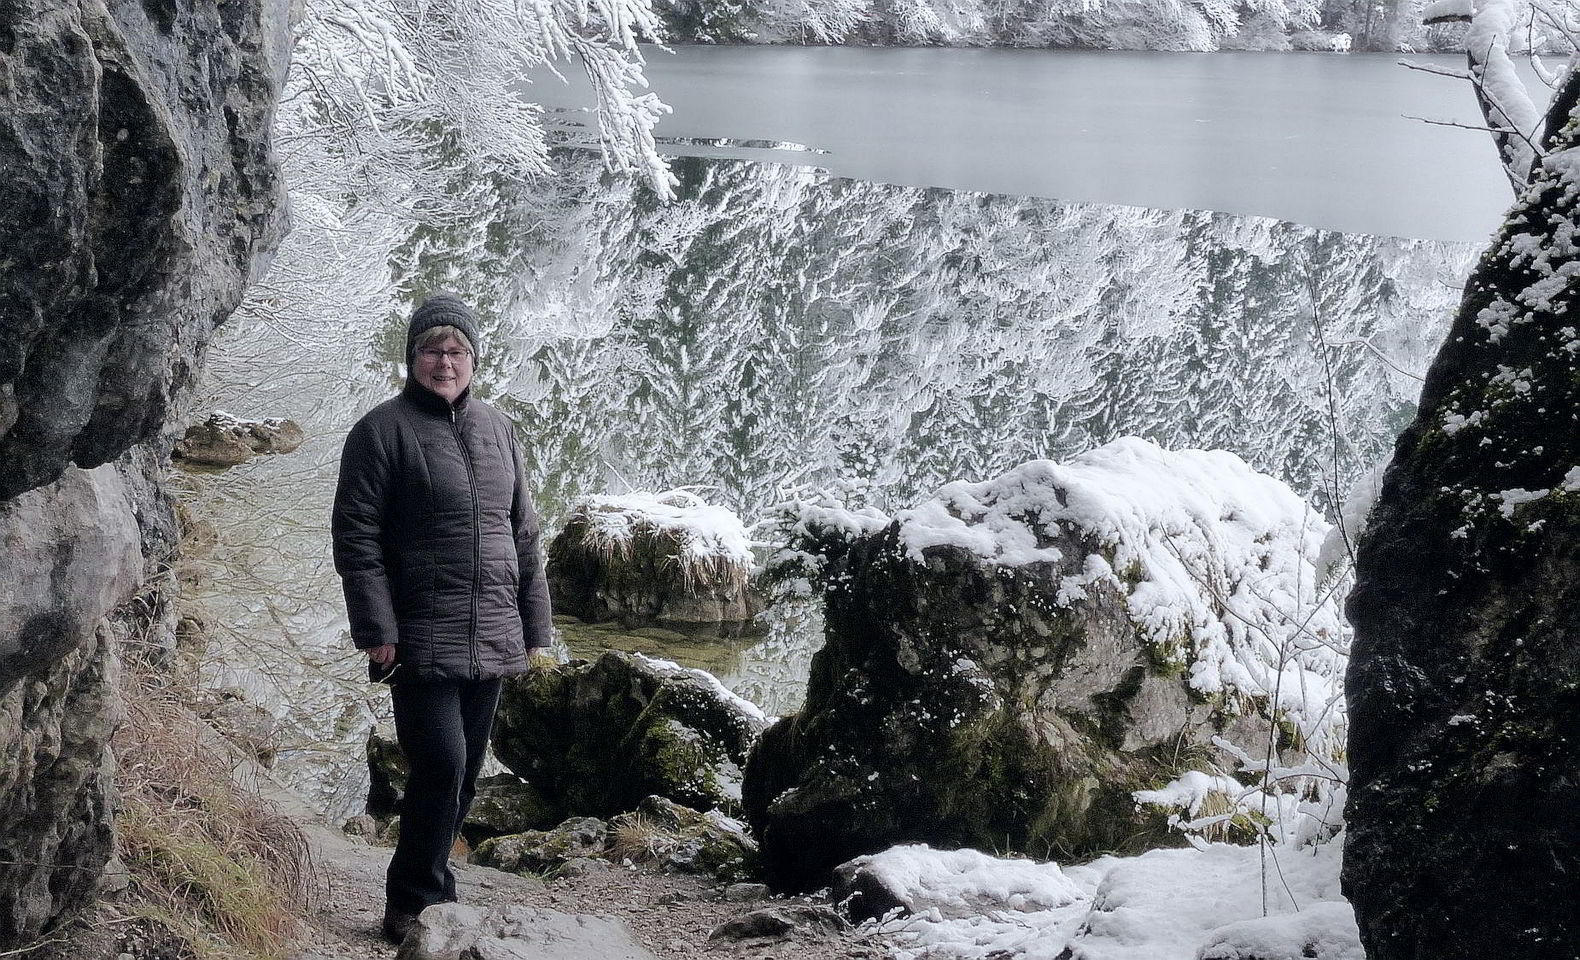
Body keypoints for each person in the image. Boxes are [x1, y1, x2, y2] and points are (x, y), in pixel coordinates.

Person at [331, 292, 553, 943]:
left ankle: (438, 887)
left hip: (493, 637)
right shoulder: (381, 431)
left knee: (466, 774)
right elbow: (357, 537)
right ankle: (409, 902)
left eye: (457, 350)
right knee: (442, 765)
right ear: (413, 357)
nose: (445, 362)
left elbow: (525, 533)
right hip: (420, 635)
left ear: (474, 358)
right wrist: (376, 631)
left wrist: (535, 631)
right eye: (433, 349)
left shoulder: (497, 428)